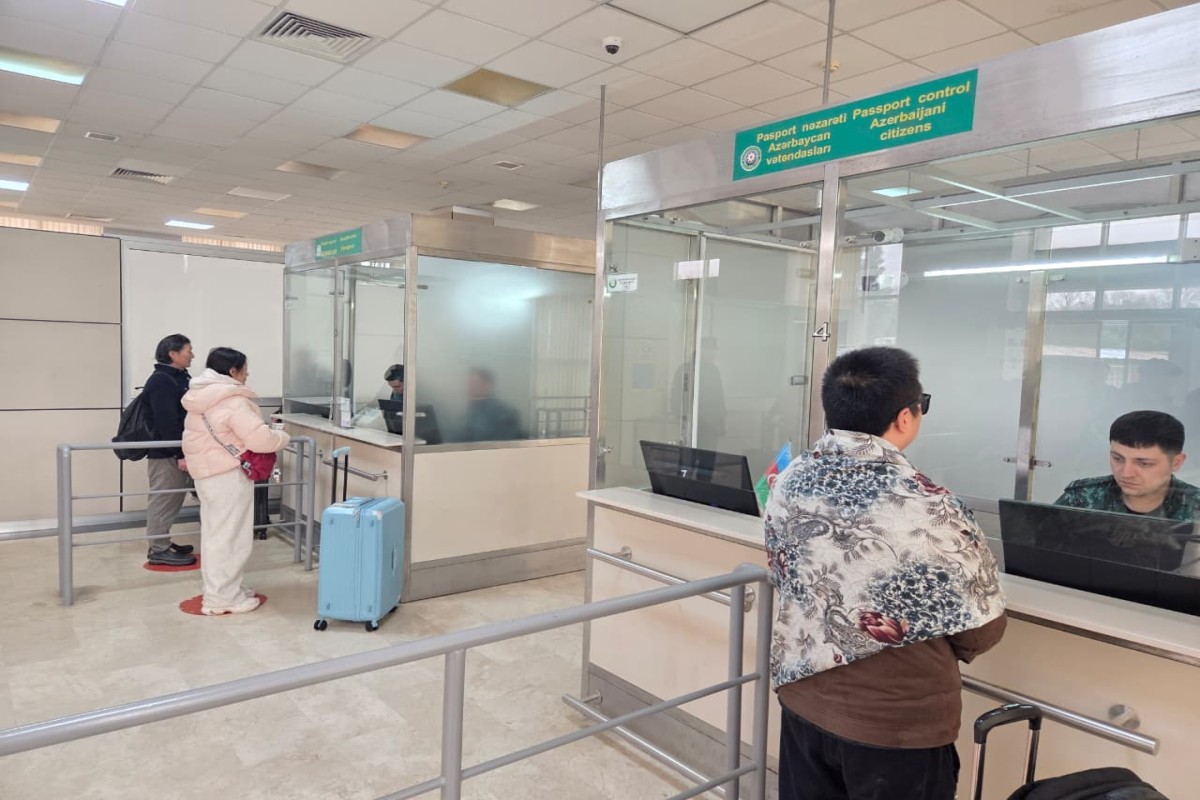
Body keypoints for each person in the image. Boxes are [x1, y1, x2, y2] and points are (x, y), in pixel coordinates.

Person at [765, 346, 1006, 800]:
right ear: (905, 416)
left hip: (802, 696)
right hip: (895, 724)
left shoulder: (791, 477)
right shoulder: (931, 506)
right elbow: (981, 629)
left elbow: (787, 573)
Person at [182, 348, 289, 615]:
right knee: (230, 536)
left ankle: (224, 589)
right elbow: (261, 440)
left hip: (207, 474)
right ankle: (222, 599)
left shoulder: (200, 397)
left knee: (216, 534)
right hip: (228, 475)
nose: (247, 374)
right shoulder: (232, 401)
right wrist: (282, 437)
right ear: (232, 371)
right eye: (244, 369)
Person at [1055, 410, 1200, 520]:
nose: (1126, 473)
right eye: (1118, 459)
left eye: (1144, 463)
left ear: (1176, 462)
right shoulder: (1081, 498)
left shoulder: (1196, 507)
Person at [143, 333, 197, 567]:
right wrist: (180, 454)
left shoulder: (179, 377)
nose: (192, 355)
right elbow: (167, 423)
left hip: (177, 450)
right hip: (166, 453)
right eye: (188, 351)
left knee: (173, 498)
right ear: (173, 354)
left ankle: (162, 541)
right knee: (163, 499)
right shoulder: (162, 381)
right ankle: (158, 549)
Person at [463, 367, 524, 442]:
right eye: (469, 383)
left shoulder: (504, 413)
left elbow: (504, 444)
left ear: (488, 385)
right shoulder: (468, 411)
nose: (470, 387)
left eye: (475, 383)